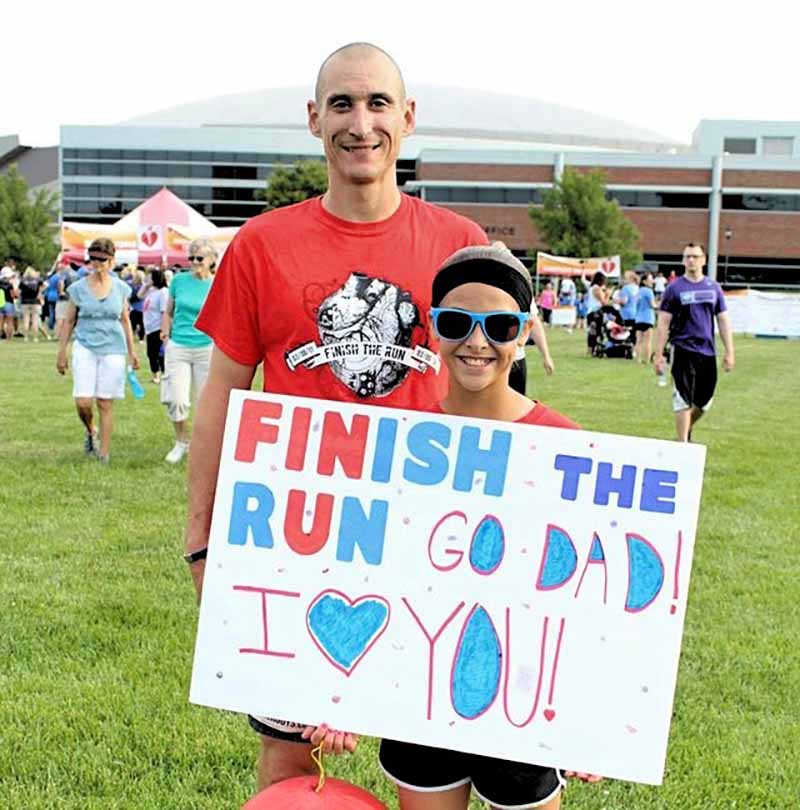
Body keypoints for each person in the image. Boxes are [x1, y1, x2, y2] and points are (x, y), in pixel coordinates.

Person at [185, 41, 489, 794]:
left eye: (378, 103)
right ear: (314, 119)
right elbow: (224, 389)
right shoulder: (262, 245)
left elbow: (490, 397)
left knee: (428, 764)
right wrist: (202, 540)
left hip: (429, 536)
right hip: (297, 537)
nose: (362, 123)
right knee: (294, 760)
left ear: (409, 118)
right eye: (343, 104)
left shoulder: (458, 245)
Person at [377, 244, 599, 810]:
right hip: (420, 694)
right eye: (457, 323)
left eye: (499, 325)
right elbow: (368, 569)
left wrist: (593, 719)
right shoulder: (396, 440)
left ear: (524, 333)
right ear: (431, 330)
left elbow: (591, 595)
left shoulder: (568, 445)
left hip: (522, 699)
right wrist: (336, 695)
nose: (477, 342)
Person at [55, 238, 139, 462]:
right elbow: (69, 321)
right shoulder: (78, 288)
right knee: (83, 401)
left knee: (105, 401)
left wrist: (132, 352)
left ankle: (104, 453)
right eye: (92, 259)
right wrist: (61, 351)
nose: (96, 263)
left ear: (111, 261)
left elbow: (125, 320)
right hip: (85, 345)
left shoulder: (121, 288)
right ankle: (90, 429)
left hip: (113, 348)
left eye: (101, 259)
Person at [654, 243, 735, 442]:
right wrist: (658, 354)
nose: (691, 260)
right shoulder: (674, 288)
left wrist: (729, 351)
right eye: (688, 256)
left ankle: (686, 428)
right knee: (683, 399)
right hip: (682, 349)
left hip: (707, 351)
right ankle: (683, 446)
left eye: (695, 256)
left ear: (703, 260)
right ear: (683, 260)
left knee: (704, 402)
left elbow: (723, 319)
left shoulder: (714, 288)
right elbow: (663, 322)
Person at [160, 239, 216, 464]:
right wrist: (165, 332)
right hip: (179, 345)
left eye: (199, 258)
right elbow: (169, 312)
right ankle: (181, 441)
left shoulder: (219, 283)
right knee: (177, 398)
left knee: (205, 402)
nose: (194, 263)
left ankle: (202, 446)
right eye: (190, 258)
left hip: (207, 347)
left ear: (212, 260)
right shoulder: (179, 281)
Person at [140, 268, 169, 383]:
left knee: (159, 353)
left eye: (150, 277)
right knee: (151, 353)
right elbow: (139, 295)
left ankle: (162, 374)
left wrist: (164, 328)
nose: (148, 279)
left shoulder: (163, 292)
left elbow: (164, 311)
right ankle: (155, 374)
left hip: (158, 326)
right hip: (149, 327)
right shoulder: (151, 290)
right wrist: (146, 286)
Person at [633, 272, 656, 363]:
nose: (652, 281)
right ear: (645, 281)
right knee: (648, 341)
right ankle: (646, 360)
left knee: (638, 341)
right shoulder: (649, 291)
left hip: (638, 318)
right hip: (648, 318)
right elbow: (652, 305)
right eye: (650, 279)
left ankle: (638, 359)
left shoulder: (638, 291)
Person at [585, 271, 609, 355]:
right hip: (596, 312)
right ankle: (593, 349)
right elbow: (604, 303)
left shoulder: (592, 288)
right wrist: (608, 294)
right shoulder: (597, 289)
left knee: (592, 332)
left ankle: (590, 349)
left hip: (591, 312)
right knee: (596, 331)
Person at [19, 266, 44, 342]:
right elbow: (43, 287)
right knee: (35, 320)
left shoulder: (23, 280)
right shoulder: (37, 280)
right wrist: (39, 294)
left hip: (25, 301)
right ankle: (35, 337)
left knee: (26, 320)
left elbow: (19, 290)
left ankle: (25, 337)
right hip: (35, 302)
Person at [0, 265, 16, 340]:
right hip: (9, 303)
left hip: (0, 304)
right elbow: (13, 295)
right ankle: (8, 338)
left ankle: (1, 334)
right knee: (10, 322)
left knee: (1, 322)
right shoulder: (9, 285)